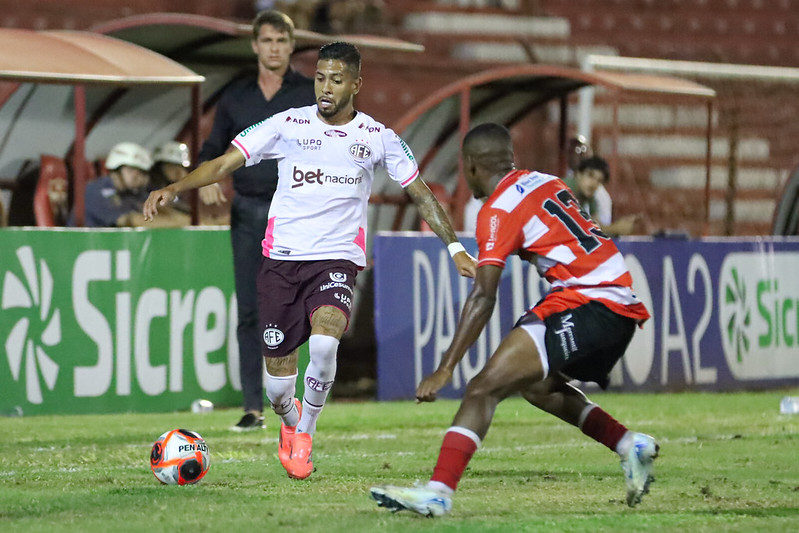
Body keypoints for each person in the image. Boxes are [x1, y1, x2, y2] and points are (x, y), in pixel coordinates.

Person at [144, 41, 477, 480]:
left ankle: (305, 434)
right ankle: (290, 420)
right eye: (320, 78)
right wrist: (176, 188)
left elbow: (420, 193)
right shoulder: (287, 124)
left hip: (336, 260)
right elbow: (225, 163)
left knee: (323, 344)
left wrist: (454, 247)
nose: (325, 87)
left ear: (356, 84)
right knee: (278, 388)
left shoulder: (377, 137)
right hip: (282, 262)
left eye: (336, 80)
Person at [370, 123, 657, 517]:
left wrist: (445, 367)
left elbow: (484, 295)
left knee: (482, 389)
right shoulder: (546, 181)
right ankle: (629, 444)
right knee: (538, 387)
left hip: (592, 302)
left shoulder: (498, 209)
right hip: (618, 305)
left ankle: (438, 493)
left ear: (471, 166)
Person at [198, 10, 316, 432]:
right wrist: (208, 177)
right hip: (248, 211)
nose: (274, 48)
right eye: (267, 40)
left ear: (291, 46)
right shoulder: (235, 97)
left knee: (299, 308)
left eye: (282, 41)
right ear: (255, 45)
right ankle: (253, 406)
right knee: (250, 310)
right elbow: (212, 148)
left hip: (296, 211)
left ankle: (300, 400)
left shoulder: (307, 93)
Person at [67, 142, 183, 228]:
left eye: (142, 172)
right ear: (116, 168)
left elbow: (157, 209)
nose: (137, 176)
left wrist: (179, 216)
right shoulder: (96, 191)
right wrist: (183, 222)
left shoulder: (132, 193)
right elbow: (131, 221)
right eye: (131, 170)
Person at [566, 155, 640, 236]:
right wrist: (616, 229)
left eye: (599, 180)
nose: (594, 183)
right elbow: (579, 230)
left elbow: (596, 227)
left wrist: (620, 226)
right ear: (578, 174)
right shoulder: (566, 189)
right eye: (590, 175)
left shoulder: (588, 196)